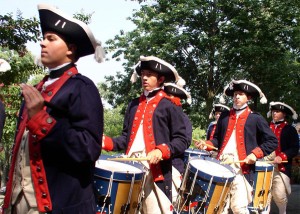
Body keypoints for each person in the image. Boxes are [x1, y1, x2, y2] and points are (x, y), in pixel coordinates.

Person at [3, 4, 104, 214]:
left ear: (70, 49)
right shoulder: (38, 87)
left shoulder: (82, 87)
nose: (42, 42)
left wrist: (41, 119)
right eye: (44, 37)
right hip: (18, 202)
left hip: (57, 204)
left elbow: (89, 150)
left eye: (51, 38)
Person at [102, 56, 189, 214]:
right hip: (130, 168)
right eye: (143, 74)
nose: (145, 77)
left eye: (149, 74)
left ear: (161, 78)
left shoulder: (170, 105)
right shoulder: (134, 104)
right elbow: (125, 139)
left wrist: (161, 150)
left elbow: (182, 140)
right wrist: (106, 142)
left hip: (155, 172)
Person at [195, 79, 278, 214]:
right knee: (218, 208)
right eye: (235, 94)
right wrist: (206, 145)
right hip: (221, 165)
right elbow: (217, 140)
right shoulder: (224, 117)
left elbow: (272, 141)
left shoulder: (255, 118)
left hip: (242, 169)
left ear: (248, 98)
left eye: (241, 94)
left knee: (239, 208)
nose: (237, 97)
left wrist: (254, 154)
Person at [264, 102, 299, 214]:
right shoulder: (266, 128)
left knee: (279, 195)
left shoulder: (290, 129)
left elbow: (294, 148)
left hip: (281, 166)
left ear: (284, 114)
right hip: (264, 165)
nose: (274, 113)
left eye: (277, 111)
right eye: (273, 111)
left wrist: (282, 156)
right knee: (263, 193)